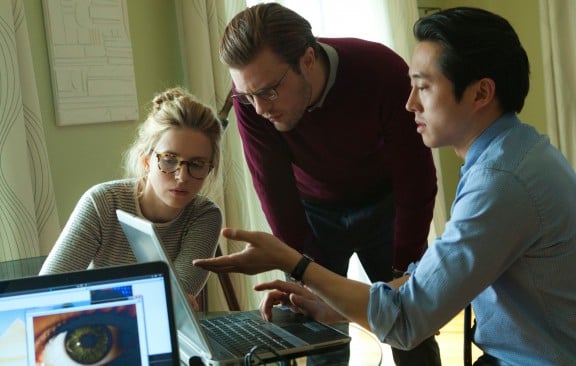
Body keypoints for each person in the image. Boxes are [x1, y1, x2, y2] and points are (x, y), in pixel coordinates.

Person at [195, 7, 576, 366]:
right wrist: (324, 302)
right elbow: (426, 283)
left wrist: (291, 261)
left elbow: (409, 320)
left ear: (480, 93)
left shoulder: (499, 183)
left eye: (423, 87)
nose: (409, 104)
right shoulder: (513, 154)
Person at [220, 3, 439, 364]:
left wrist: (404, 270)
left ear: (308, 59)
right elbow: (273, 191)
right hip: (314, 215)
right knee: (320, 334)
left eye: (270, 91)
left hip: (386, 207)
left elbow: (415, 178)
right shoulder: (250, 98)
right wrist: (305, 271)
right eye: (248, 95)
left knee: (409, 327)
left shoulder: (381, 71)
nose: (259, 108)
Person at [40, 87, 223, 307]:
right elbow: (49, 290)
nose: (182, 176)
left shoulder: (205, 216)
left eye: (197, 164)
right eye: (169, 160)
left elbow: (176, 303)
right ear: (147, 161)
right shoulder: (102, 203)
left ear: (209, 168)